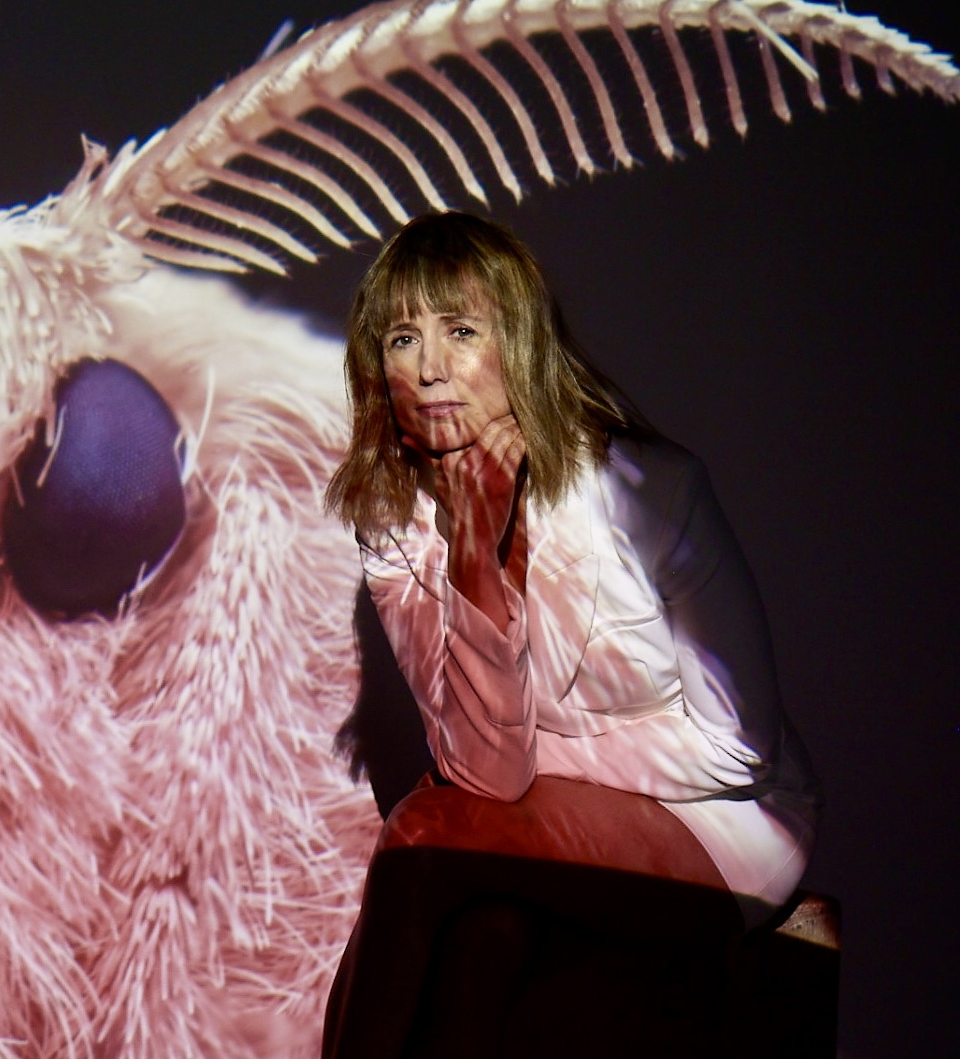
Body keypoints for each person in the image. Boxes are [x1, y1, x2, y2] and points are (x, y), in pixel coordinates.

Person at [319, 212, 820, 1057]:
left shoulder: (647, 492)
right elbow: (484, 769)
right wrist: (477, 559)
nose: (431, 368)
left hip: (722, 826)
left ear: (516, 346)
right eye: (403, 336)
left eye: (462, 330)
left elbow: (739, 750)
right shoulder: (394, 522)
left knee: (422, 830)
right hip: (518, 831)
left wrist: (538, 778)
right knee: (483, 940)